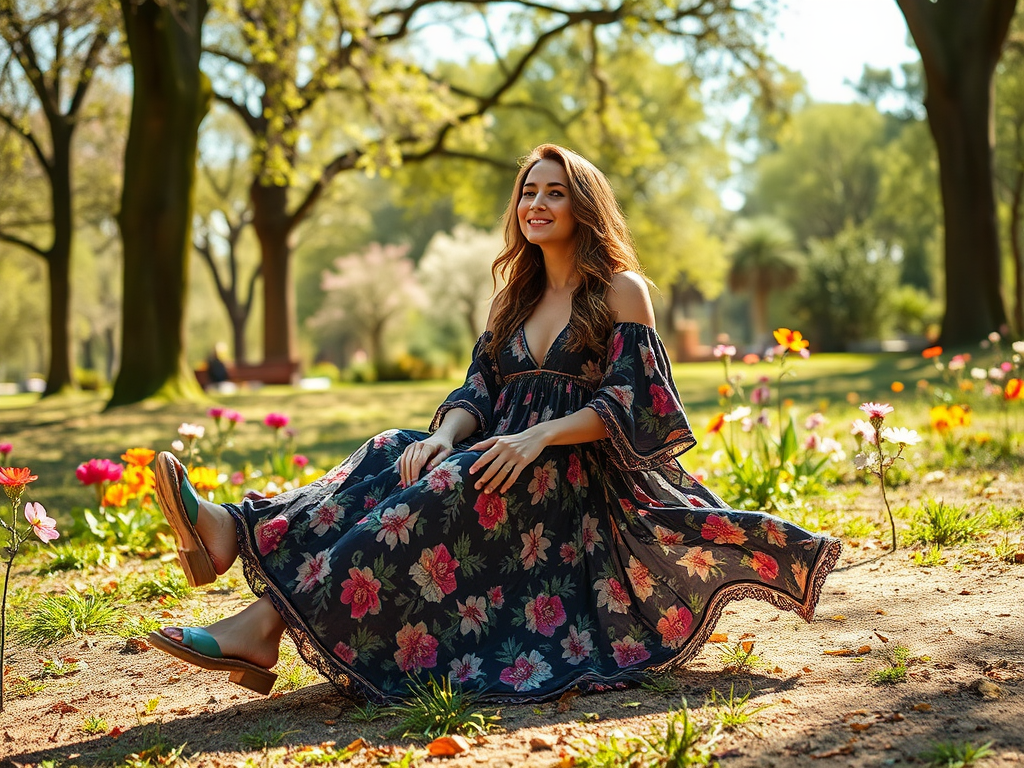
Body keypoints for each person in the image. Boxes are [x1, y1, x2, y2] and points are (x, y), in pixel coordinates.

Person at [149, 144, 841, 702]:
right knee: (398, 448)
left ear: (584, 205)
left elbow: (635, 403)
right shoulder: (512, 299)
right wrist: (445, 433)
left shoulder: (622, 292)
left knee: (445, 482)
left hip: (575, 484)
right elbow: (478, 388)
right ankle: (229, 533)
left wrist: (538, 434)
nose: (536, 203)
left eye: (554, 191)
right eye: (528, 191)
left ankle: (262, 624)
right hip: (493, 454)